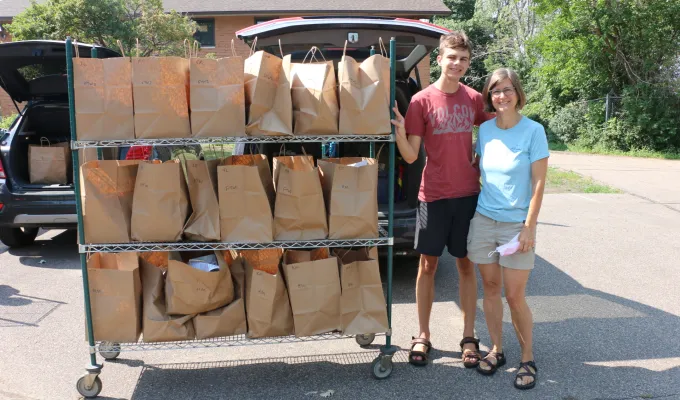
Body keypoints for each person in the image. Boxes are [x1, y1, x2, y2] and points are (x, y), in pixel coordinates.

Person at [391, 31, 492, 368]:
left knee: (466, 264)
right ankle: (422, 335)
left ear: (468, 62)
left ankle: (468, 336)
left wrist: (483, 158)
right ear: (439, 59)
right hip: (431, 196)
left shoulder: (475, 99)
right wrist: (398, 132)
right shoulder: (421, 101)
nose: (457, 64)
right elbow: (410, 157)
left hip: (467, 195)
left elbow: (495, 133)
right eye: (452, 57)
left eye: (463, 59)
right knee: (427, 265)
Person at [466, 67, 549, 390]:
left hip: (516, 225)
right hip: (485, 220)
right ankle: (497, 349)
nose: (502, 96)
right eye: (496, 90)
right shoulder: (485, 131)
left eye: (508, 89)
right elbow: (475, 168)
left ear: (518, 94)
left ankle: (527, 357)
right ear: (489, 95)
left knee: (514, 296)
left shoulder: (533, 131)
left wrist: (529, 227)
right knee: (489, 288)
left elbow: (539, 183)